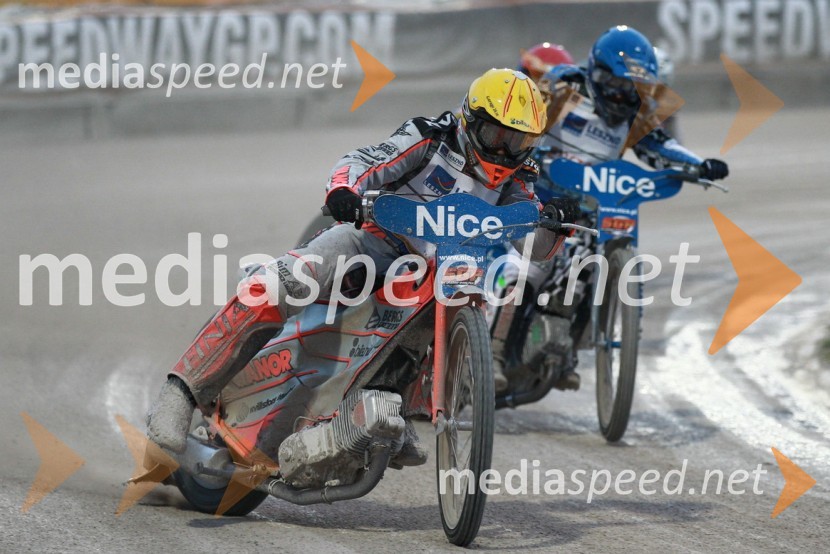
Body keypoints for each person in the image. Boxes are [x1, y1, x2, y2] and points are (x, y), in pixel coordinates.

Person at [145, 68, 579, 463]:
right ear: (470, 119)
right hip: (374, 242)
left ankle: (391, 410)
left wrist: (554, 225)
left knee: (460, 310)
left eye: (518, 142)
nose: (505, 151)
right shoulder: (429, 137)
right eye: (496, 135)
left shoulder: (521, 176)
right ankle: (182, 392)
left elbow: (531, 243)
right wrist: (343, 191)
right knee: (280, 283)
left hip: (437, 269)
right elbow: (362, 161)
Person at [490, 26, 729, 393]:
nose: (624, 97)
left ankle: (568, 345)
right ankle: (493, 352)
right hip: (539, 200)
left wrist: (699, 165)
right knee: (530, 267)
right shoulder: (562, 86)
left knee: (592, 262)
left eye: (635, 88)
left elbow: (660, 147)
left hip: (594, 211)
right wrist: (535, 157)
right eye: (617, 86)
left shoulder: (640, 112)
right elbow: (520, 124)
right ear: (597, 74)